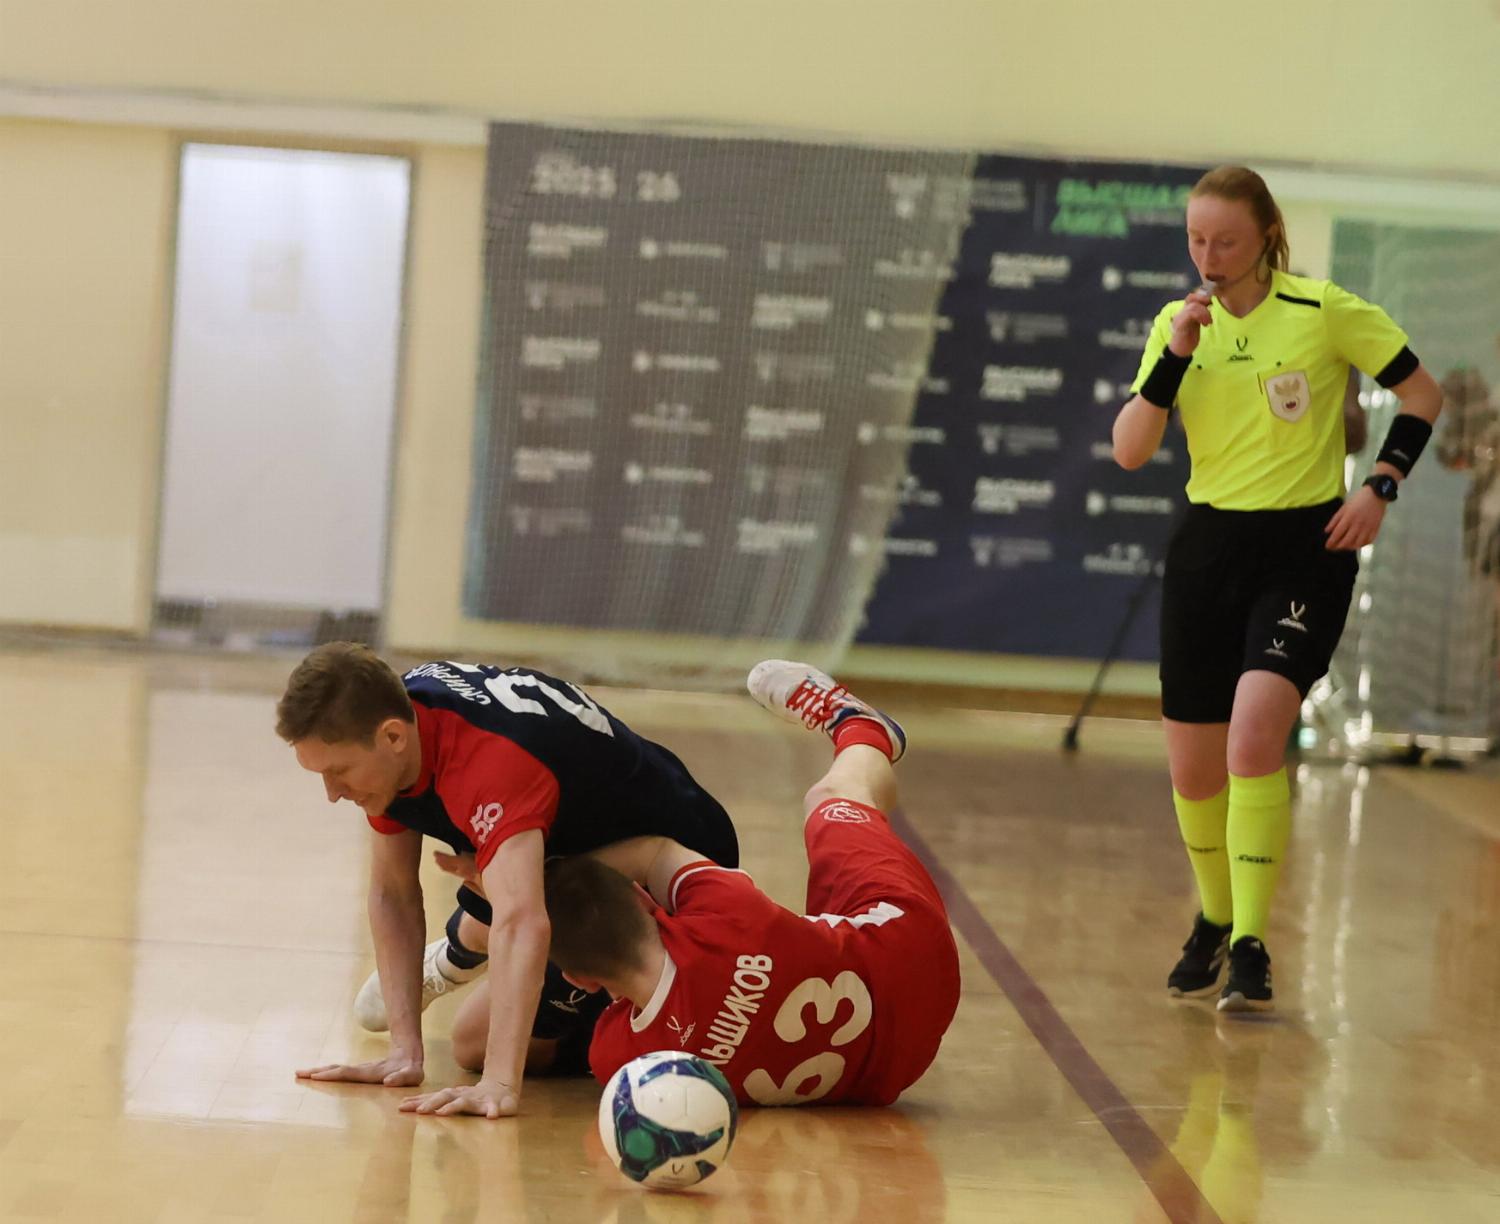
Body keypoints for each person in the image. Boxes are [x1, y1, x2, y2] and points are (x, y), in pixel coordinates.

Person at [1112, 166, 1443, 1012]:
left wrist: (1380, 486)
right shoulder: (1176, 325)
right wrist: (1174, 358)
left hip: (1303, 548)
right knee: (1194, 771)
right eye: (1197, 239)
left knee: (1255, 734)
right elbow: (1130, 449)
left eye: (1226, 240)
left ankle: (1252, 943)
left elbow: (1421, 393)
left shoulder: (1322, 309)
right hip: (1207, 549)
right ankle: (1215, 917)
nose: (1209, 256)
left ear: (1265, 236)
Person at [277, 643, 737, 1116]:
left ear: (392, 736)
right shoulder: (393, 727)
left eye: (339, 771)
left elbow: (522, 922)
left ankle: (479, 949)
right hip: (567, 856)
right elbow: (392, 893)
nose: (332, 793)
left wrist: (499, 1083)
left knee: (475, 1043)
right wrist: (403, 1053)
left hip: (673, 869)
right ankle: (470, 938)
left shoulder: (488, 762)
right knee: (499, 892)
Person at [524, 660, 961, 1108]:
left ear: (579, 978)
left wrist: (517, 910)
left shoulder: (620, 1057)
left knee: (808, 945)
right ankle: (861, 728)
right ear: (641, 897)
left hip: (893, 1066)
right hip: (912, 957)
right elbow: (656, 851)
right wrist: (539, 866)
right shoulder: (723, 913)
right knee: (830, 799)